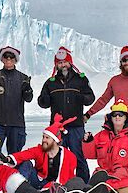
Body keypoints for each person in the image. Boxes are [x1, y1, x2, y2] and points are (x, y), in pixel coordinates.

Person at [38, 46, 95, 183]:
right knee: (56, 156)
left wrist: (82, 97)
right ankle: (56, 184)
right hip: (57, 128)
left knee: (78, 155)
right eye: (59, 62)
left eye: (65, 62)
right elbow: (42, 103)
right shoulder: (50, 83)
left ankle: (83, 185)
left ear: (70, 63)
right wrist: (45, 99)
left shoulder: (80, 80)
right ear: (56, 65)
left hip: (76, 126)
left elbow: (90, 98)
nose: (62, 65)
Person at [2, 114, 77, 189]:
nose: (44, 140)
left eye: (47, 138)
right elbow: (25, 154)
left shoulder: (69, 156)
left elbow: (70, 177)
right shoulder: (39, 150)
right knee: (26, 164)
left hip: (55, 186)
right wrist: (8, 159)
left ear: (55, 140)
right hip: (38, 181)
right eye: (43, 137)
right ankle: (18, 189)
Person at [0, 46, 34, 154]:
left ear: (16, 59)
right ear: (2, 59)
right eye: (6, 56)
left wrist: (27, 89)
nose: (9, 59)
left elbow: (29, 99)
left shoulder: (23, 78)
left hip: (16, 124)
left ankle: (13, 172)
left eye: (11, 57)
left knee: (14, 157)